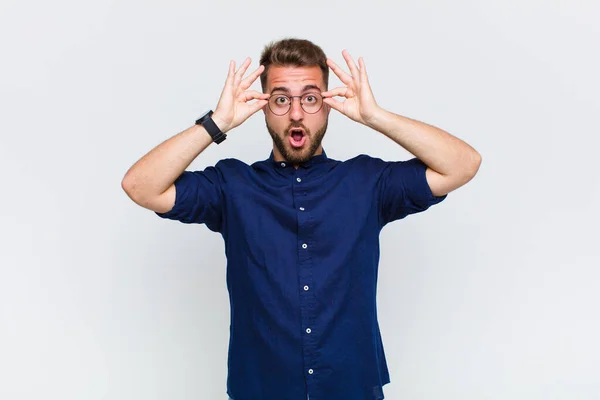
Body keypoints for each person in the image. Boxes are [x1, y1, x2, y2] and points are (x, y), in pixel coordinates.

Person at [121, 38, 481, 400]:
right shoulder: (232, 186)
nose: (296, 113)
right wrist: (218, 122)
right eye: (281, 99)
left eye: (310, 98)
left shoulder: (368, 182)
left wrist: (375, 116)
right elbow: (141, 186)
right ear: (262, 107)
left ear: (327, 106)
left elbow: (463, 165)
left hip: (351, 388)